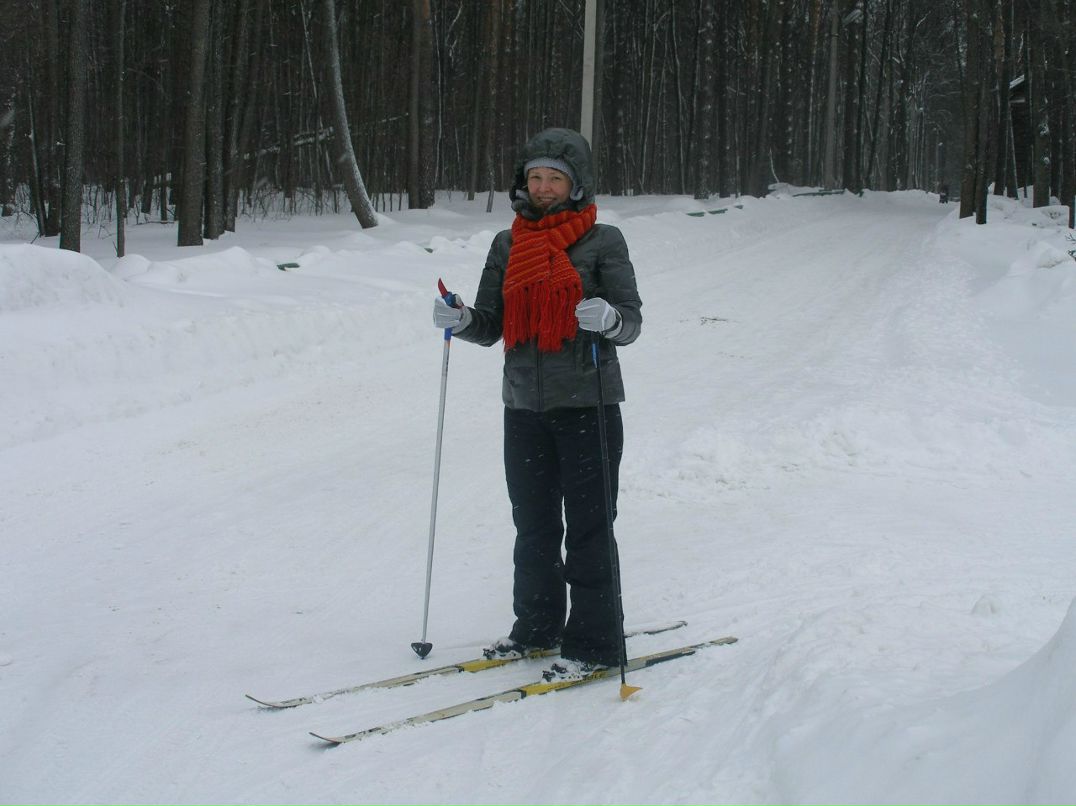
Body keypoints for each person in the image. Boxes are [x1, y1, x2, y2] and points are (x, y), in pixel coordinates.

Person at [432, 127, 642, 680]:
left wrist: (612, 320)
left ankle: (596, 645)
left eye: (555, 178)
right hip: (523, 408)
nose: (544, 187)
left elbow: (632, 320)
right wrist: (461, 321)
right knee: (534, 525)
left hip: (588, 406)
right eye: (536, 177)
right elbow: (492, 323)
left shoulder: (603, 241)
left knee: (590, 526)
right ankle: (539, 627)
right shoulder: (507, 245)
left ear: (576, 185)